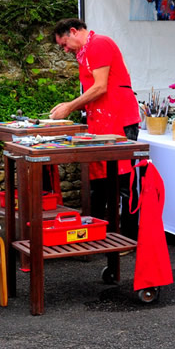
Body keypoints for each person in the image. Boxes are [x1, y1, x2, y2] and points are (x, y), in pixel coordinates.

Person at [50, 18, 142, 237]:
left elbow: (100, 87)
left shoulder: (99, 44)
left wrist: (69, 107)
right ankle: (101, 232)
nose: (64, 50)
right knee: (99, 181)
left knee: (123, 181)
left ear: (73, 32)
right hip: (101, 120)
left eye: (64, 44)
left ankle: (128, 236)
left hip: (119, 119)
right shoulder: (85, 52)